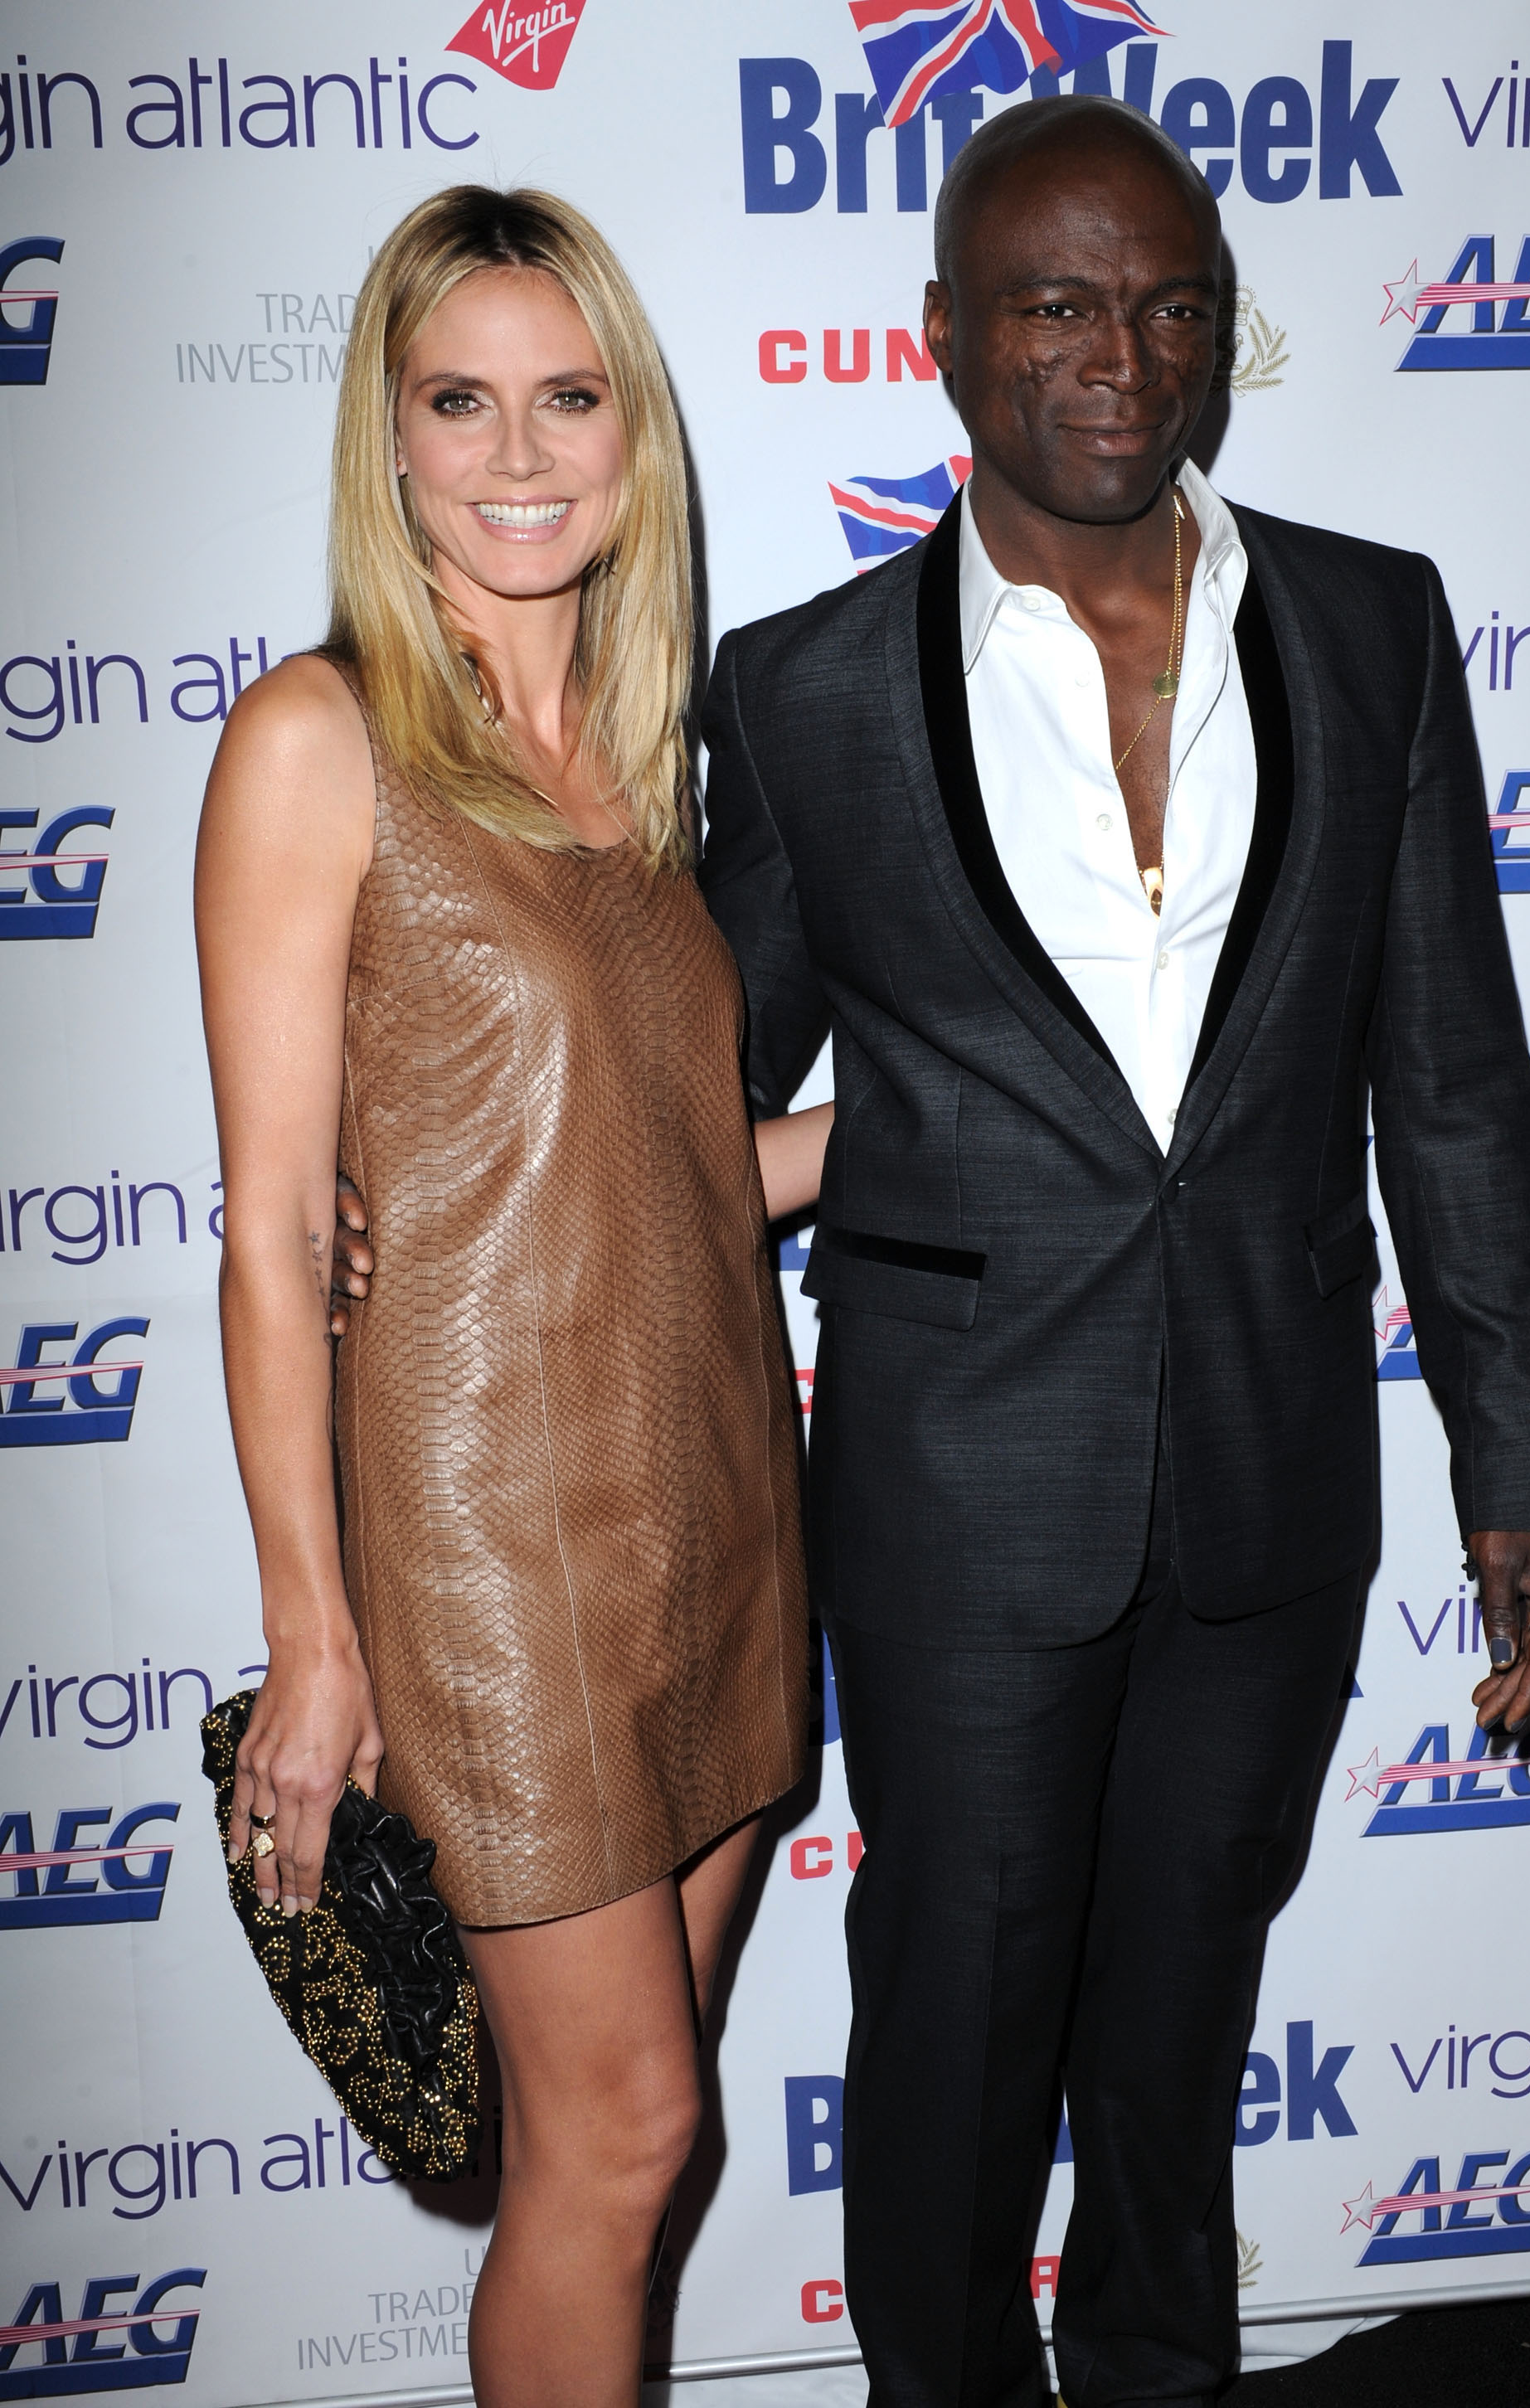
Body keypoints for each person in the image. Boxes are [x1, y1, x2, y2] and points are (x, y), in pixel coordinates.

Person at [330, 106, 1530, 2406]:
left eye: (1169, 304)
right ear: (941, 340)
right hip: (945, 1497)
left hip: (1269, 1478)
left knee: (1182, 2024)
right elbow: (674, 1099)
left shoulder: (1371, 621)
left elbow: (1457, 1082)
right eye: (1056, 303)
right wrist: (408, 1190)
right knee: (952, 2028)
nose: (1120, 354)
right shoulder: (803, 694)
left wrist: (1519, 1468)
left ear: (1217, 339)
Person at [196, 183, 824, 2408]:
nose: (520, 452)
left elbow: (657, 1176)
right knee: (625, 2129)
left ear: (636, 437)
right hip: (491, 1558)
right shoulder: (318, 739)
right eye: (459, 400)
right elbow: (274, 1229)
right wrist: (313, 1634)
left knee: (626, 2148)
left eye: (567, 398)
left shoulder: (648, 776)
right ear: (387, 438)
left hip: (722, 1514)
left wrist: (949, 1122)